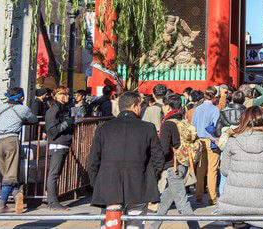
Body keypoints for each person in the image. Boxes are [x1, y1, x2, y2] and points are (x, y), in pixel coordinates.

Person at [87, 91, 165, 228]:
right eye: (140, 106)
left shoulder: (104, 128)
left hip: (109, 186)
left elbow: (93, 160)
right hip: (139, 185)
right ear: (135, 106)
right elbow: (158, 158)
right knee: (135, 224)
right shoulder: (147, 128)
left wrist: (97, 183)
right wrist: (151, 177)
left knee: (111, 224)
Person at [215, 106, 263, 227]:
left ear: (244, 119)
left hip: (235, 201)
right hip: (261, 202)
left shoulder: (233, 139)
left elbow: (224, 170)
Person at [148, 94, 200, 229]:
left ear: (168, 106)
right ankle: (154, 226)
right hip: (182, 164)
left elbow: (164, 149)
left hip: (173, 167)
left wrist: (156, 164)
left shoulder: (168, 124)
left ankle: (195, 227)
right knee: (164, 202)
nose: (162, 109)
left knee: (183, 204)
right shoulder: (182, 121)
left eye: (164, 106)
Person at [0, 87, 38, 213]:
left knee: (6, 173)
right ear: (21, 98)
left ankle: (16, 195)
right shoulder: (23, 109)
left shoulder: (0, 107)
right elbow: (33, 119)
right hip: (11, 140)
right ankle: (2, 205)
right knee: (10, 174)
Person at [44, 87, 76, 210]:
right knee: (54, 174)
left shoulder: (62, 109)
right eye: (64, 94)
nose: (67, 97)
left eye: (67, 94)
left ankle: (53, 201)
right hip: (57, 144)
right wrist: (67, 123)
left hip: (63, 143)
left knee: (56, 173)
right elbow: (51, 131)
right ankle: (53, 202)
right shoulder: (53, 110)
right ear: (56, 95)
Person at [191, 85, 220, 206]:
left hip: (199, 140)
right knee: (212, 170)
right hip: (211, 141)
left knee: (200, 169)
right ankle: (212, 197)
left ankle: (198, 196)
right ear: (214, 97)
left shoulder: (197, 109)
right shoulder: (215, 110)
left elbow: (193, 125)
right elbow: (216, 127)